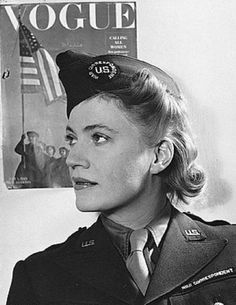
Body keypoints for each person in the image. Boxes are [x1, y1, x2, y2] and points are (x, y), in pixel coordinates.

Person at [7, 51, 236, 305]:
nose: (72, 159)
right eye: (72, 139)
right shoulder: (39, 277)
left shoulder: (231, 251)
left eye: (99, 137)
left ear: (159, 156)